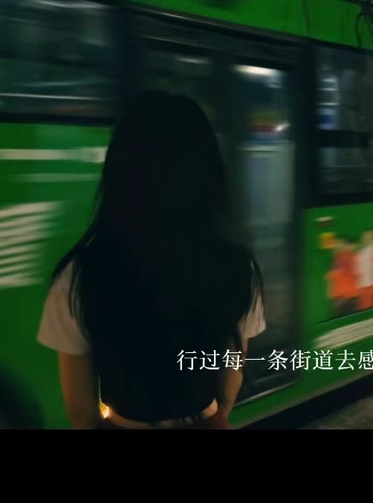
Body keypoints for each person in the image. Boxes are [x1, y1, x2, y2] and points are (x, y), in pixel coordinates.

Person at [37, 90, 266, 429]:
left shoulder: (79, 276)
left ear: (118, 173)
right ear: (207, 173)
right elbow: (233, 369)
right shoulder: (238, 268)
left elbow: (81, 412)